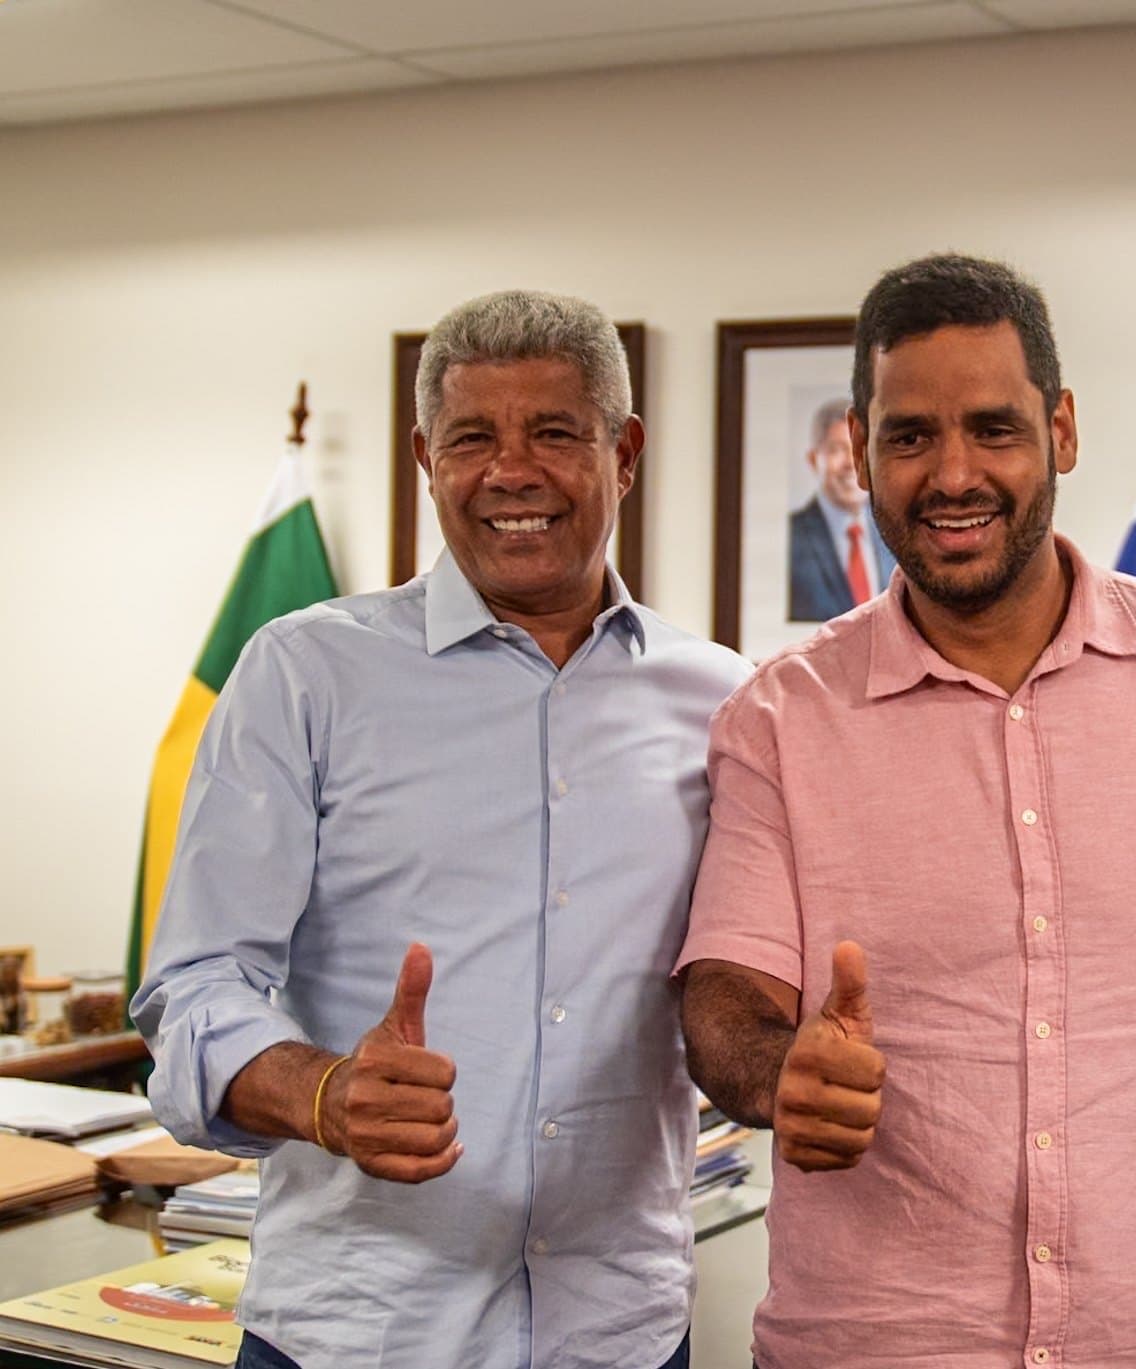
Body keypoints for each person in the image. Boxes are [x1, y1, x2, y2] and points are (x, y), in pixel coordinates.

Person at [679, 253, 1136, 1369]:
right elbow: (725, 992)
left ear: (1059, 429)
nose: (951, 473)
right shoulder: (780, 714)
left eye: (992, 429)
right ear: (858, 450)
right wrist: (779, 1074)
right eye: (909, 436)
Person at [132, 290, 751, 1369]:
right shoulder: (303, 674)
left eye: (554, 432)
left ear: (626, 451)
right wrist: (323, 1093)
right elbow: (193, 985)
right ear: (427, 458)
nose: (511, 471)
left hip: (617, 1335)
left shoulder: (722, 702)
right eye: (472, 438)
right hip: (358, 1332)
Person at [787, 397, 896, 621]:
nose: (851, 463)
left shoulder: (897, 534)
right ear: (813, 460)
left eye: (860, 450)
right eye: (837, 450)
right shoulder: (791, 536)